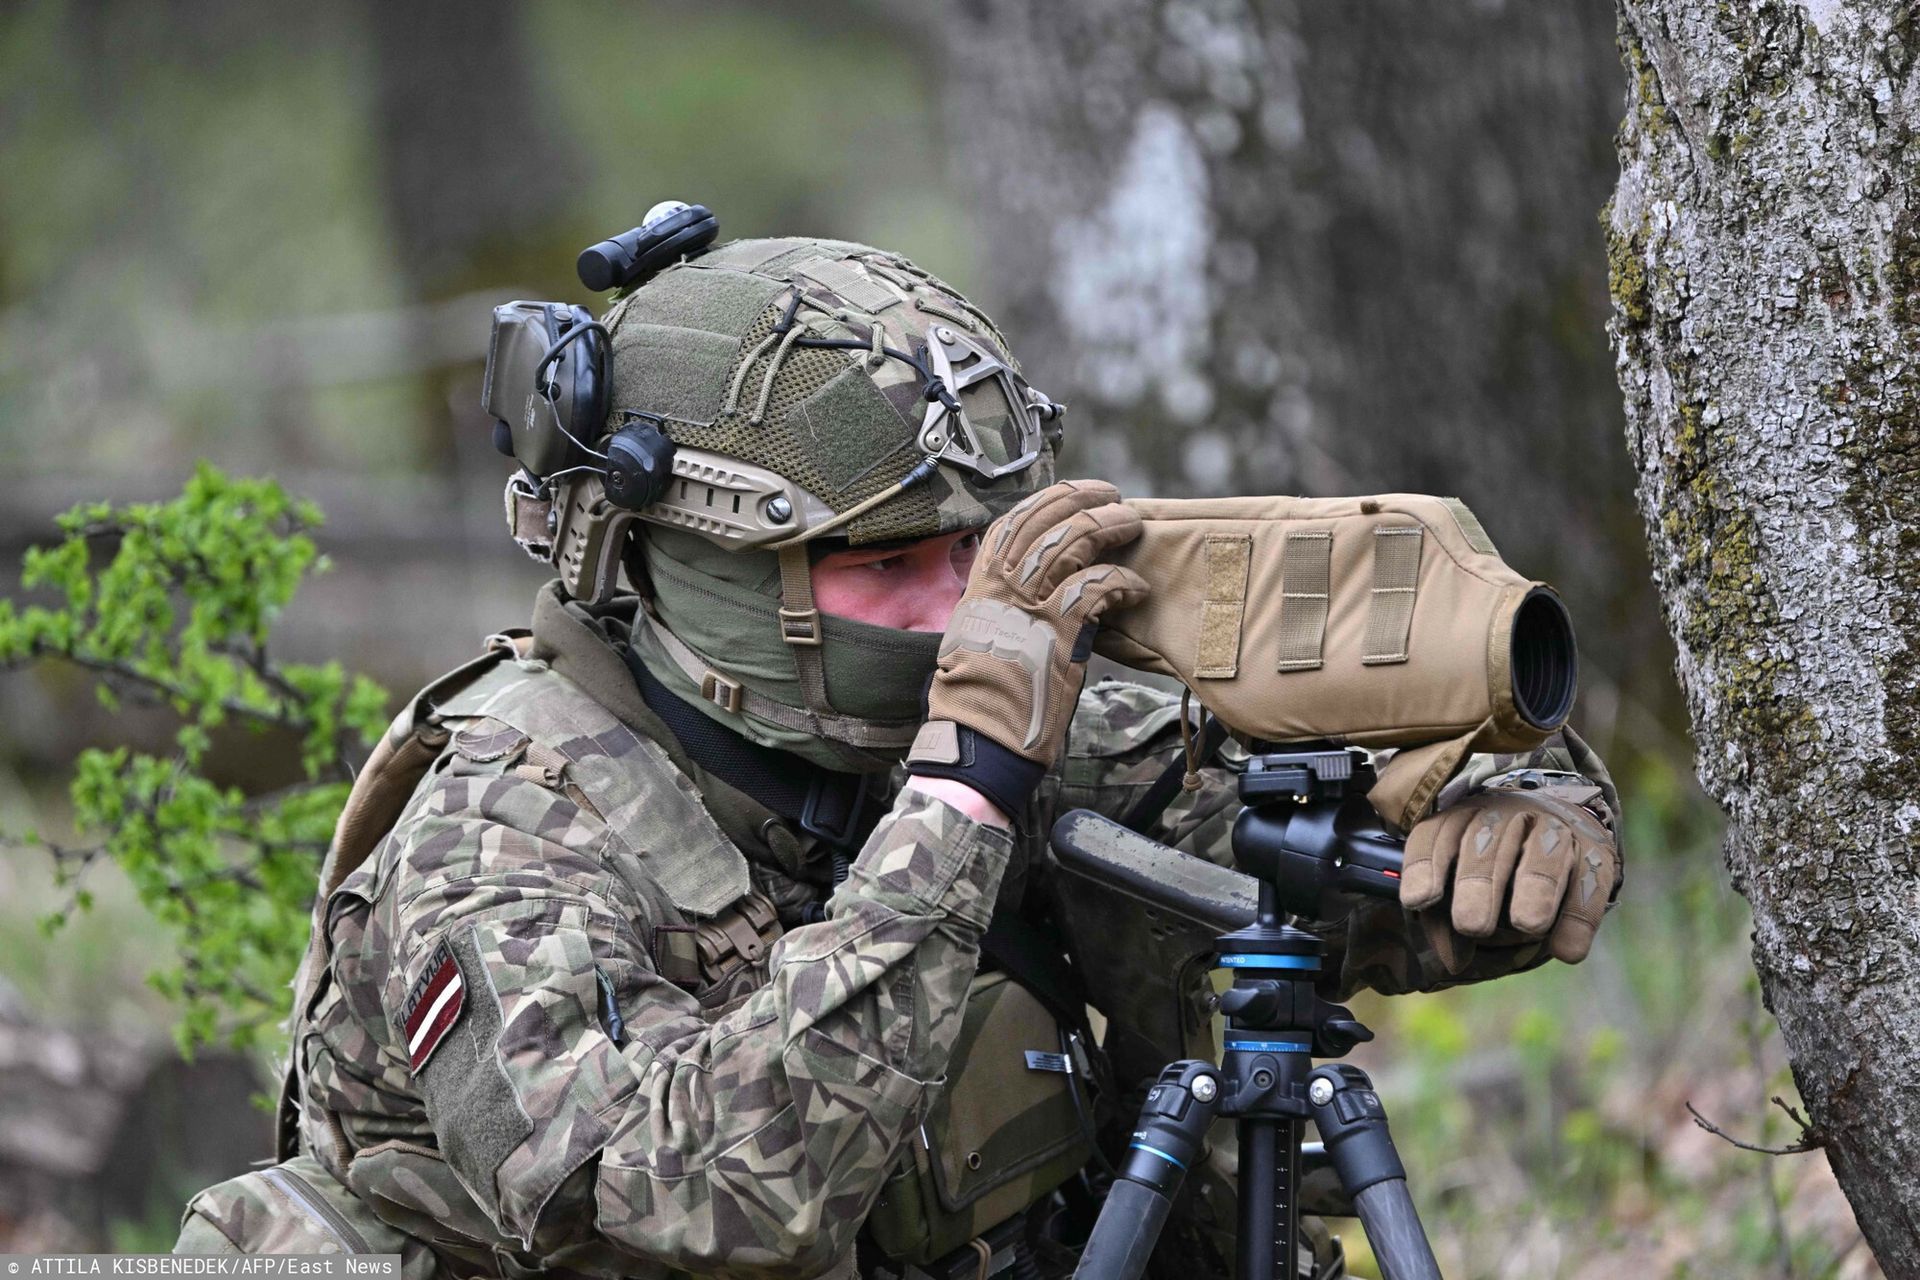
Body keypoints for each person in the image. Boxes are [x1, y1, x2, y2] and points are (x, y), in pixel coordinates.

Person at [174, 232, 1621, 1279]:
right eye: (889, 564)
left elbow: (1302, 874)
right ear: (699, 566)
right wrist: (965, 786)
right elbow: (710, 1203)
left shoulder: (997, 702)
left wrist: (1524, 808)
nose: (962, 608)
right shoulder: (502, 832)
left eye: (977, 550)